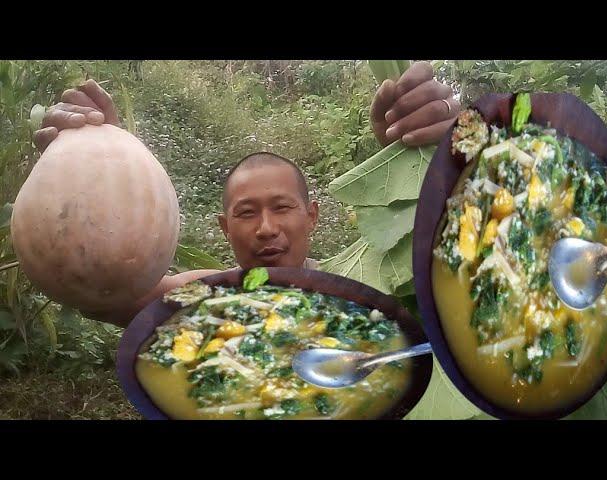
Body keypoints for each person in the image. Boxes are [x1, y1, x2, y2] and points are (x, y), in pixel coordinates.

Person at [34, 61, 460, 327]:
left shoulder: (361, 287)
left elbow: (462, 249)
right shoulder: (205, 297)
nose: (266, 229)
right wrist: (99, 174)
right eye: (246, 213)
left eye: (282, 207)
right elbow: (107, 295)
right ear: (224, 227)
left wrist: (449, 159)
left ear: (311, 216)